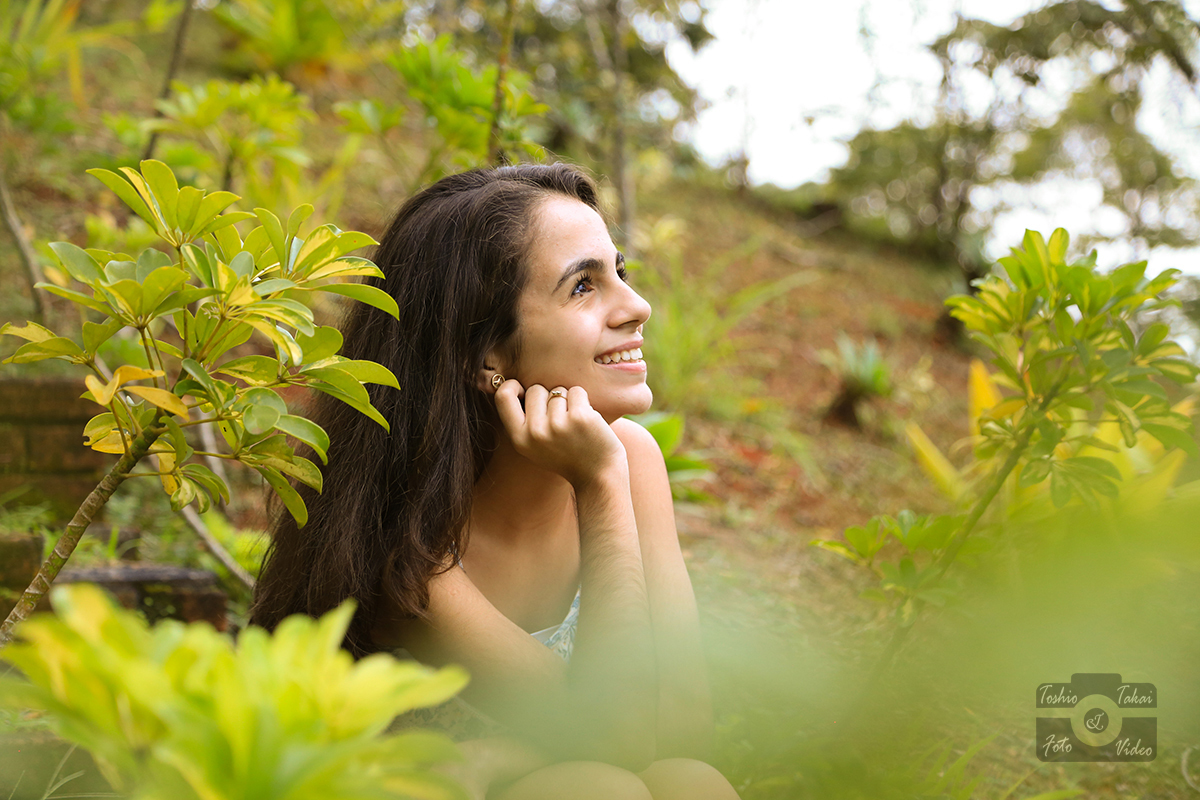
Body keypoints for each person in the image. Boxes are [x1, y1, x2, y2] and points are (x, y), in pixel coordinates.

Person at [250, 164, 741, 800]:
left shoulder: (629, 459)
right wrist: (597, 488)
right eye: (583, 286)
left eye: (621, 272)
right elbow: (615, 737)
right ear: (485, 353)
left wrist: (500, 758)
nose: (636, 305)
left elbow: (682, 728)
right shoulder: (404, 539)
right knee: (599, 787)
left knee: (692, 783)